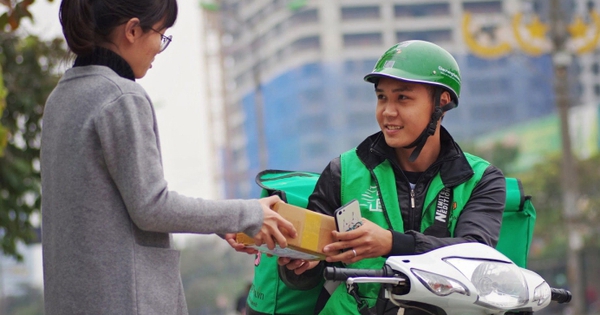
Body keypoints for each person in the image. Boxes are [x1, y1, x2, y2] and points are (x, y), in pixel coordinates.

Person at [40, 1, 297, 314]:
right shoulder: (121, 97)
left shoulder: (61, 97)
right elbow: (151, 207)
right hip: (125, 301)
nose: (159, 50)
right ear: (133, 30)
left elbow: (124, 204)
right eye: (161, 35)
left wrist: (222, 223)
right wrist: (247, 214)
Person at [277, 40, 506, 315]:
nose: (387, 111)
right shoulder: (343, 170)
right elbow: (309, 274)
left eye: (403, 98)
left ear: (441, 103)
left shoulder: (481, 179)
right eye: (381, 97)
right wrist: (299, 265)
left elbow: (476, 256)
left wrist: (391, 243)